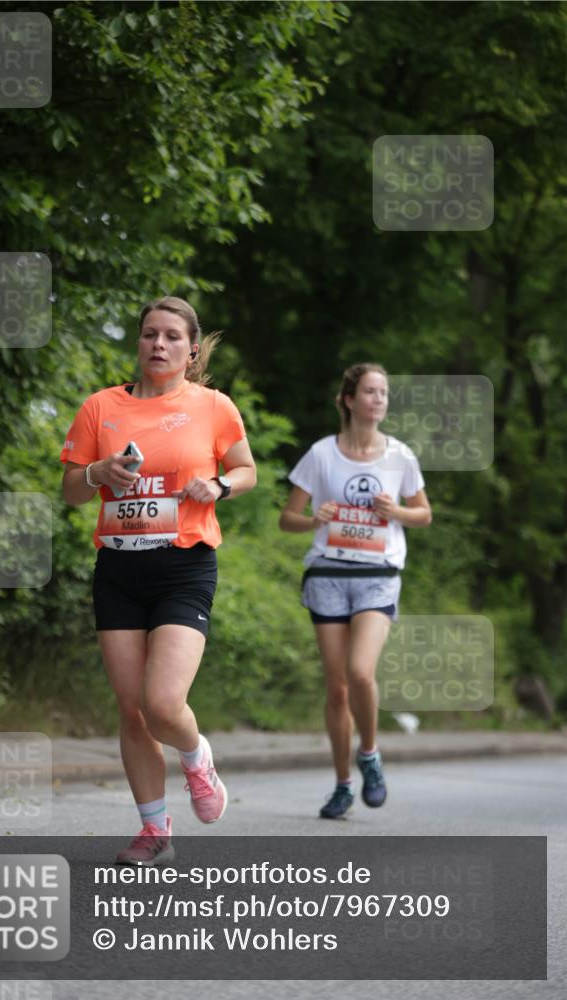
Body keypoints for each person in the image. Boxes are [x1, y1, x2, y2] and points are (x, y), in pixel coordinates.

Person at [61, 296, 256, 863]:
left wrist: (218, 486)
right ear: (139, 341)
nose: (159, 345)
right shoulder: (100, 407)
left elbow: (246, 470)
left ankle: (196, 757)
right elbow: (72, 490)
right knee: (130, 710)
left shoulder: (214, 407)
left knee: (163, 703)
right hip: (119, 569)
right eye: (150, 334)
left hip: (183, 565)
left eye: (172, 336)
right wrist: (96, 472)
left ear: (191, 348)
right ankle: (155, 830)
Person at [279, 363, 431, 819]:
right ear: (348, 400)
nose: (379, 399)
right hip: (328, 574)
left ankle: (370, 754)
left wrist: (396, 512)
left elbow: (423, 513)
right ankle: (344, 784)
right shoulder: (322, 454)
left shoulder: (399, 456)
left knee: (361, 672)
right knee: (338, 688)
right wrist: (315, 520)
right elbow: (288, 520)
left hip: (377, 575)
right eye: (370, 391)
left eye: (383, 392)